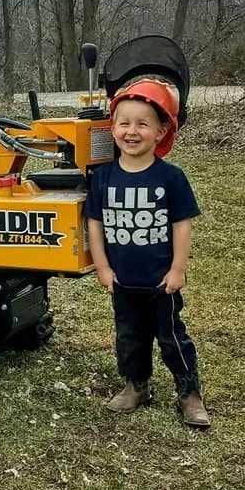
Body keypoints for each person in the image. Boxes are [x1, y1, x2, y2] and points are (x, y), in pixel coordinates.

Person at [84, 78, 210, 428]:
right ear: (112, 129)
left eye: (143, 124)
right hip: (122, 282)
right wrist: (102, 267)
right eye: (124, 123)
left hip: (161, 283)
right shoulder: (103, 178)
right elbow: (95, 224)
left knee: (172, 339)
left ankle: (189, 393)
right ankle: (136, 386)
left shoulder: (171, 178)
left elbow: (181, 224)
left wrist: (178, 269)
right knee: (129, 338)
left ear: (161, 132)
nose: (132, 131)